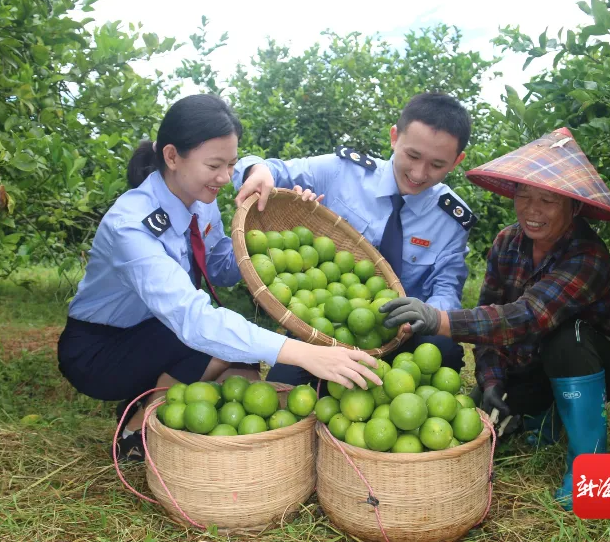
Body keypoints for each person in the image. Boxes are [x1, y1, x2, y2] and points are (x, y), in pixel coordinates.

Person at [57, 94, 380, 461]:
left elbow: (222, 266)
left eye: (230, 164)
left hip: (158, 328)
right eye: (214, 165)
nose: (225, 178)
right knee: (216, 345)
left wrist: (277, 232)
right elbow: (193, 321)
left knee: (243, 375)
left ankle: (177, 414)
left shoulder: (202, 200)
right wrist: (304, 353)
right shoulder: (131, 226)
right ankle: (135, 428)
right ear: (172, 156)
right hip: (100, 349)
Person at [378, 127, 610, 509]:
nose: (532, 210)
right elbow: (491, 315)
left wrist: (441, 320)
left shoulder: (588, 253)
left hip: (598, 364)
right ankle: (545, 418)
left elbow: (529, 316)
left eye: (548, 201)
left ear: (574, 206)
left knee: (567, 336)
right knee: (479, 413)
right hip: (533, 362)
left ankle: (594, 472)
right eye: (524, 196)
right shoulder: (506, 242)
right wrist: (490, 381)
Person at [233, 92, 477, 385]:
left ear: (457, 160)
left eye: (437, 165)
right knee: (283, 393)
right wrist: (257, 171)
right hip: (324, 329)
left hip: (399, 337)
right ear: (394, 137)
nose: (418, 172)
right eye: (412, 155)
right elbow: (267, 168)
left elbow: (447, 289)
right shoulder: (342, 172)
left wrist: (424, 316)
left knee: (443, 349)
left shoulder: (451, 218)